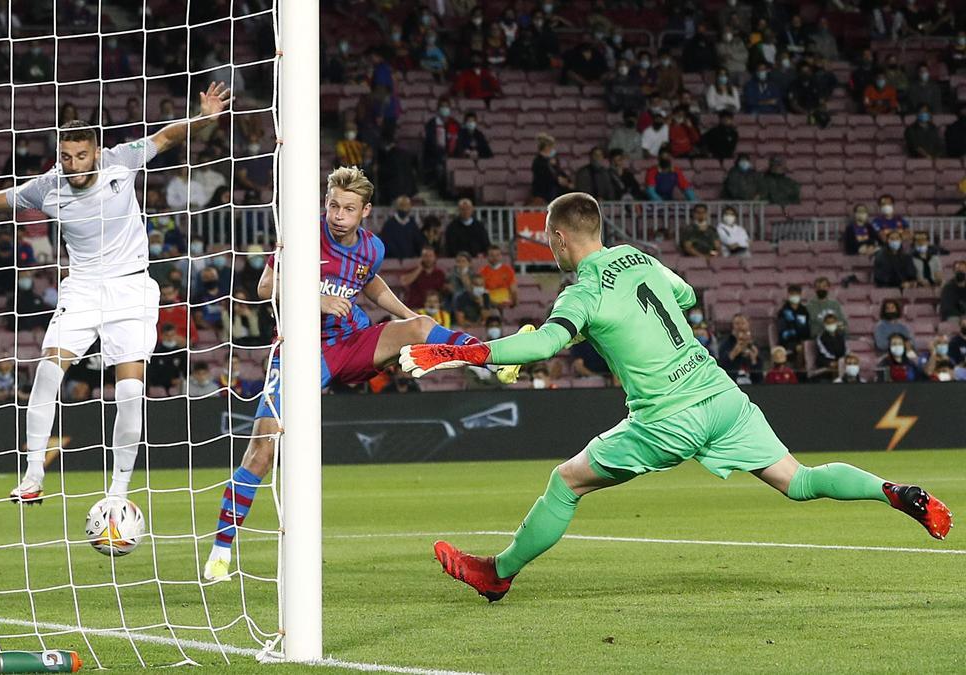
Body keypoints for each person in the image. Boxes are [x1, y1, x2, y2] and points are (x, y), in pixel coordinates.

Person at [398, 192, 952, 602]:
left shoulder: (582, 290)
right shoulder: (638, 258)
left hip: (668, 418)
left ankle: (498, 574)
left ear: (561, 238)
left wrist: (462, 353)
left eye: (548, 237)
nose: (549, 245)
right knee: (799, 481)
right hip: (722, 396)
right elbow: (685, 294)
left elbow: (545, 343)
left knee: (565, 482)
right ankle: (893, 491)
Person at [0, 81, 233, 503]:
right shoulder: (47, 186)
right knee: (47, 373)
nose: (73, 164)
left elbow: (167, 136)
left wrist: (203, 118)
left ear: (96, 150)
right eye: (66, 156)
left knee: (128, 391)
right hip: (83, 290)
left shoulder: (121, 160)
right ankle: (33, 475)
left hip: (131, 288)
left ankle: (119, 492)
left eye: (81, 155)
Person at [198, 167, 526, 584]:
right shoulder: (302, 235)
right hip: (300, 352)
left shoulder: (372, 248)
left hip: (351, 344)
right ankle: (220, 554)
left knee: (422, 326)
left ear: (365, 211)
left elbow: (370, 284)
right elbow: (265, 286)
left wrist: (407, 315)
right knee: (262, 451)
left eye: (348, 208)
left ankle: (493, 358)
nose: (338, 215)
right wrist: (313, 298)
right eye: (333, 205)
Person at [378, 196, 423, 261]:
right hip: (393, 261)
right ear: (397, 209)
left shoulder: (412, 224)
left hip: (411, 260)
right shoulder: (389, 225)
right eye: (402, 209)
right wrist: (398, 256)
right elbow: (387, 244)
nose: (404, 211)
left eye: (406, 209)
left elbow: (418, 241)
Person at [531, 133, 571, 204]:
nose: (553, 149)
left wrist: (567, 180)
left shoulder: (553, 160)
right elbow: (543, 177)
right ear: (547, 147)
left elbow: (559, 171)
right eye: (552, 147)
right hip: (543, 192)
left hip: (555, 191)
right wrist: (557, 179)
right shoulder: (538, 162)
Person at [812, 314, 847, 381]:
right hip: (825, 360)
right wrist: (836, 362)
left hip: (839, 361)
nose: (831, 324)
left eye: (833, 322)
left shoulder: (841, 336)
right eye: (828, 323)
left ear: (836, 322)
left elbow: (845, 349)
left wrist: (842, 360)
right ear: (825, 324)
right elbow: (824, 352)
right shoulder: (821, 337)